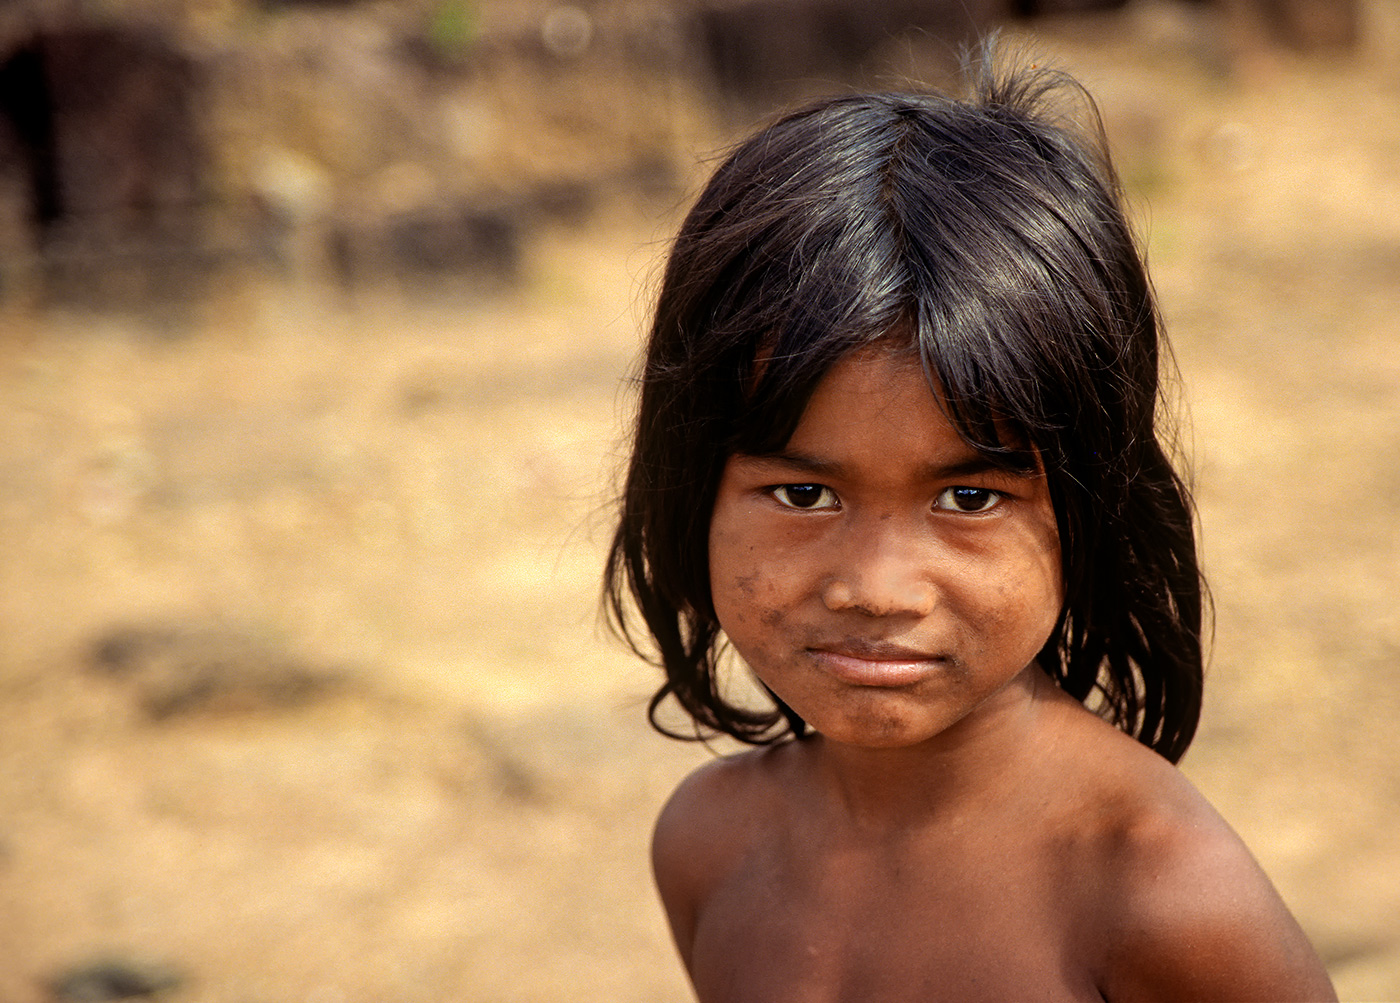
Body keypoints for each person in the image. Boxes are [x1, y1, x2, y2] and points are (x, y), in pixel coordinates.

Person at [605, 49, 1336, 1002]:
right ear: (688, 486)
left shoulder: (1162, 897)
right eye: (802, 495)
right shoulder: (708, 845)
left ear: (1089, 505)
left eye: (969, 498)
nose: (876, 586)